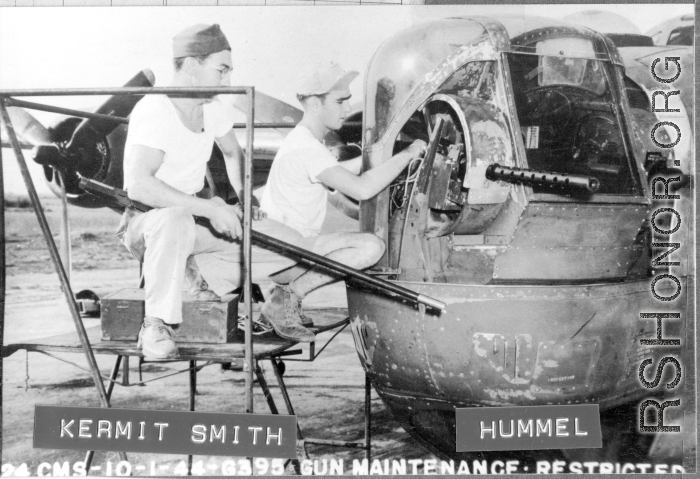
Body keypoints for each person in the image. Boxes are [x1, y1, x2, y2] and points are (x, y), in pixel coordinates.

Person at [120, 24, 303, 359]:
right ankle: (155, 324)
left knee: (294, 246)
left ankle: (198, 276)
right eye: (222, 70)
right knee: (173, 219)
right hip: (147, 225)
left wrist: (246, 201)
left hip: (195, 223)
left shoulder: (214, 108)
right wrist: (212, 209)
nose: (227, 82)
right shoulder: (154, 110)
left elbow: (234, 153)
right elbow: (140, 185)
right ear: (191, 65)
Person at [259, 61, 426, 340]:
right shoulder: (307, 148)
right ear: (314, 103)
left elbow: (340, 172)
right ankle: (286, 299)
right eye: (339, 102)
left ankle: (284, 297)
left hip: (284, 249)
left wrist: (381, 157)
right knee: (371, 247)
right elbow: (361, 190)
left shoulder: (303, 141)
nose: (347, 110)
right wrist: (408, 154)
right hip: (284, 253)